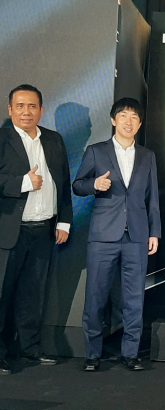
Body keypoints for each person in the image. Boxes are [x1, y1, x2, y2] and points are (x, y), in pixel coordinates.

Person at [73, 98, 160, 372]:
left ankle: (130, 354)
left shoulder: (147, 156)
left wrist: (154, 232)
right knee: (96, 296)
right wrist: (94, 184)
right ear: (113, 120)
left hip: (137, 235)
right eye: (123, 116)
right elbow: (77, 185)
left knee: (134, 298)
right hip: (103, 235)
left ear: (140, 123)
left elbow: (153, 198)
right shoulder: (96, 151)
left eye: (134, 117)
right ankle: (92, 354)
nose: (128, 121)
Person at [0, 84, 72, 374]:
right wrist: (23, 183)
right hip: (9, 233)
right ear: (10, 109)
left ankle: (29, 349)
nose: (26, 112)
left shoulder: (53, 140)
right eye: (20, 106)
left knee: (33, 294)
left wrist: (64, 220)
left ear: (41, 110)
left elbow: (63, 181)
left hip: (44, 230)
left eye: (32, 106)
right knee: (3, 295)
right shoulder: (2, 139)